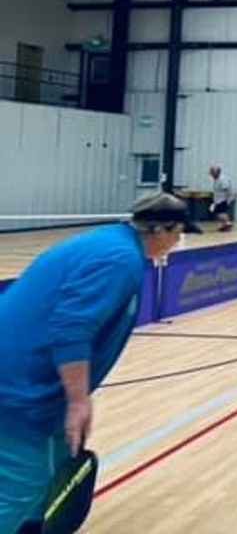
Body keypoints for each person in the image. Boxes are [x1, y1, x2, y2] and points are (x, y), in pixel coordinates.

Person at [0, 193, 199, 532]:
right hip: (18, 386)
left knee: (51, 471)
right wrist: (79, 400)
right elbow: (71, 329)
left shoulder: (111, 243)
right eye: (179, 232)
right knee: (25, 483)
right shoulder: (119, 260)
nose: (179, 240)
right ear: (161, 230)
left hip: (35, 381)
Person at [208, 164, 236, 232]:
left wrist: (228, 199)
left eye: (212, 172)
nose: (211, 174)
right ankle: (224, 225)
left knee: (221, 213)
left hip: (223, 199)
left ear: (216, 172)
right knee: (217, 213)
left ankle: (227, 223)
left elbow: (227, 190)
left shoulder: (222, 179)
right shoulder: (216, 178)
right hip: (217, 200)